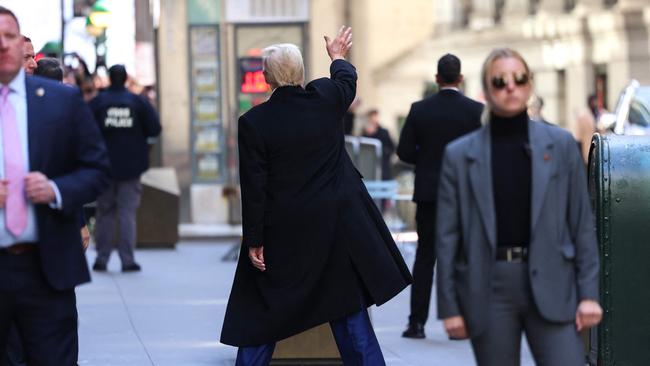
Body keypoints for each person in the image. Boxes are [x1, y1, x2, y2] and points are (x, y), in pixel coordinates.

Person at [220, 27, 412, 366]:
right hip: (336, 228)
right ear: (301, 74)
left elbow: (255, 188)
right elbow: (346, 80)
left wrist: (254, 239)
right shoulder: (325, 100)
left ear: (266, 79)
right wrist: (337, 55)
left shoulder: (254, 122)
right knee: (350, 318)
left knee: (262, 319)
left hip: (285, 233)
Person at [436, 47, 602, 365]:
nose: (510, 87)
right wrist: (450, 306)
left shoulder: (562, 145)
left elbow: (581, 223)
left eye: (518, 79)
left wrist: (589, 294)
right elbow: (446, 237)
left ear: (529, 85)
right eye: (499, 81)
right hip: (489, 285)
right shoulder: (460, 156)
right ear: (486, 90)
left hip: (553, 278)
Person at [0, 6, 110, 365]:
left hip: (46, 268)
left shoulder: (61, 102)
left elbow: (96, 169)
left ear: (23, 47)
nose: (2, 45)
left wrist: (58, 190)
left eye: (10, 36)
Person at [397, 53, 482, 339]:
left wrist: (426, 156)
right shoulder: (476, 111)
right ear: (460, 79)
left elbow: (404, 152)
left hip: (429, 194)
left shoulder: (419, 110)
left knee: (425, 258)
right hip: (462, 195)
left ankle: (416, 323)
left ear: (437, 79)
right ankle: (463, 321)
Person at [89, 64, 161, 273]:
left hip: (104, 166)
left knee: (104, 213)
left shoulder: (99, 102)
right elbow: (155, 128)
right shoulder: (137, 102)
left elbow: (85, 130)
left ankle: (101, 259)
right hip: (131, 167)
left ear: (110, 78)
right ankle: (127, 260)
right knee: (127, 213)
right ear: (125, 79)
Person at [361, 109, 395, 181]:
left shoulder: (384, 132)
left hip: (383, 164)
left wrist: (385, 154)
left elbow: (391, 146)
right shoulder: (364, 132)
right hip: (369, 165)